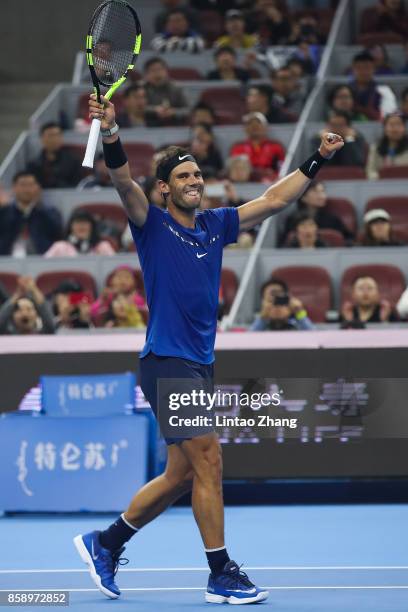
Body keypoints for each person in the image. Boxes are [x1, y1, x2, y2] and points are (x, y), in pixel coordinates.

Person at [74, 90, 343, 604]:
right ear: (165, 188)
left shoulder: (217, 225)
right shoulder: (150, 224)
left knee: (180, 475)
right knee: (211, 462)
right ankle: (221, 572)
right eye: (183, 177)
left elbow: (274, 200)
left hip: (199, 363)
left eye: (197, 176)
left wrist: (318, 158)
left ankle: (105, 544)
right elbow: (121, 181)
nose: (194, 182)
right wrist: (111, 131)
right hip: (167, 360)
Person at [0, 171, 62, 256]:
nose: (27, 189)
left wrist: (39, 207)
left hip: (41, 260)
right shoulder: (4, 212)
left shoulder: (50, 212)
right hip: (8, 260)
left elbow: (57, 234)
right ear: (14, 188)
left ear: (37, 188)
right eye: (23, 185)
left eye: (30, 185)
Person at [280, 180, 353, 245]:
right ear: (303, 196)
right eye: (315, 191)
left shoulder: (333, 220)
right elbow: (285, 243)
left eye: (323, 191)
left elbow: (348, 240)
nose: (322, 196)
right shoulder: (293, 219)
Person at [230, 112, 285, 179]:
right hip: (246, 184)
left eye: (258, 122)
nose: (254, 126)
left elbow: (281, 169)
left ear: (266, 127)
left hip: (270, 183)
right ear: (245, 129)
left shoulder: (276, 147)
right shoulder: (237, 148)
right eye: (250, 123)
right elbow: (233, 171)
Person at [27, 122, 82, 188]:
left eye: (58, 135)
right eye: (51, 135)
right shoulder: (34, 164)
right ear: (42, 139)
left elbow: (77, 185)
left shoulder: (73, 161)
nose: (55, 139)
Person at [44, 209, 115, 257]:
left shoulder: (103, 246)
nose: (81, 226)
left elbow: (114, 266)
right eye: (78, 222)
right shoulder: (60, 246)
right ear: (70, 226)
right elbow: (43, 265)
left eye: (85, 222)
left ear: (92, 226)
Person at [349, 51, 397, 121]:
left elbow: (390, 116)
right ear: (353, 69)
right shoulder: (345, 91)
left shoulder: (384, 91)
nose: (363, 71)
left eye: (367, 67)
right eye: (359, 68)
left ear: (374, 69)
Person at [143, 57, 189, 126]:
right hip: (148, 125)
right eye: (153, 70)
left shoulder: (176, 88)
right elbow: (135, 110)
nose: (157, 74)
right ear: (146, 74)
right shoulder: (141, 89)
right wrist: (154, 110)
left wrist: (174, 112)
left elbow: (188, 110)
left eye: (160, 69)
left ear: (166, 72)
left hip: (175, 125)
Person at [366, 113, 408, 179]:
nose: (395, 129)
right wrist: (379, 177)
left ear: (404, 128)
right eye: (391, 125)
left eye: (399, 124)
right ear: (385, 128)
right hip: (382, 186)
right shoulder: (376, 148)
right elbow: (370, 171)